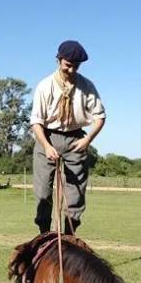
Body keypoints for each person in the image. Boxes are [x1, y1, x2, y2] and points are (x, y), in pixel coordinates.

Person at [30, 40, 106, 234]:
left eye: (76, 66)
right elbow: (36, 122)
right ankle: (44, 235)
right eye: (67, 65)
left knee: (75, 194)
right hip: (47, 137)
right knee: (43, 192)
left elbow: (100, 117)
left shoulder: (87, 86)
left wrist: (88, 140)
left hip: (76, 139)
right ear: (58, 60)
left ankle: (70, 235)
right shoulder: (45, 86)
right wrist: (46, 146)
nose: (71, 70)